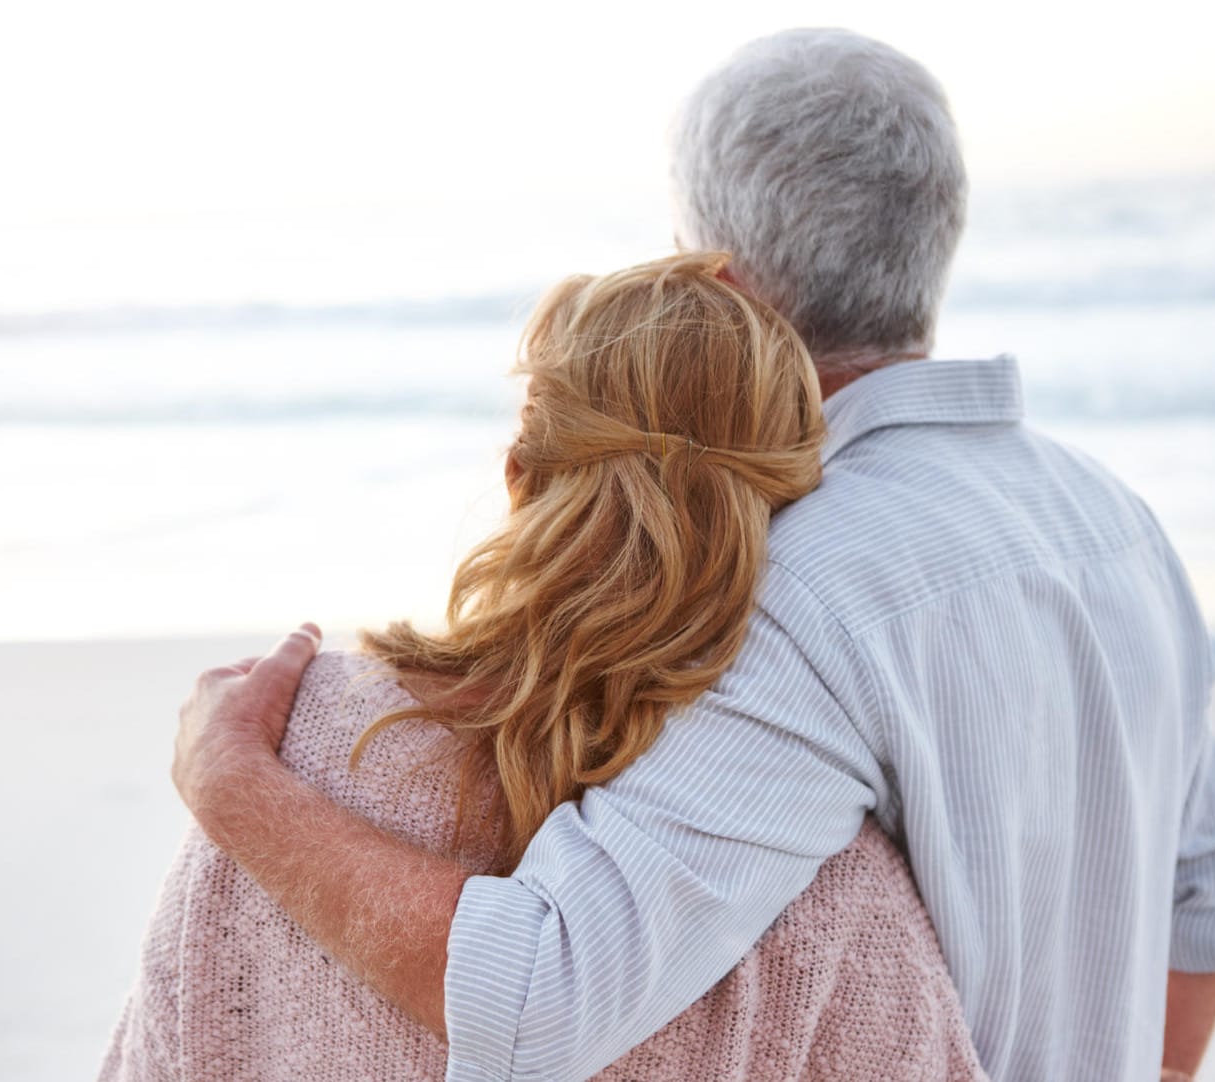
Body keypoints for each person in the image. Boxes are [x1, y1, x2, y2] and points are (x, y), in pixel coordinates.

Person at [167, 28, 1215, 1082]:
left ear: (724, 283)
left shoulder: (799, 574)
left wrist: (236, 789)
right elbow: (1214, 902)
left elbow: (541, 990)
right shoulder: (1115, 521)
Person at [107, 253, 983, 1080]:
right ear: (787, 509)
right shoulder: (810, 851)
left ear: (522, 476)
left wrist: (233, 782)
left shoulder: (291, 741)